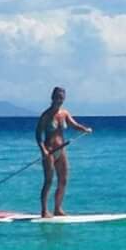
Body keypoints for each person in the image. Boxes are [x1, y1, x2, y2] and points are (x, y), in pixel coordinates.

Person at [35, 85, 92, 216]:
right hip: (49, 151)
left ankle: (57, 208)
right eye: (58, 98)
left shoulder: (64, 113)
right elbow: (38, 134)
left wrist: (85, 129)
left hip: (61, 151)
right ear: (52, 98)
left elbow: (74, 125)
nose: (60, 100)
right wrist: (43, 149)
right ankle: (44, 210)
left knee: (63, 180)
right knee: (48, 181)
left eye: (62, 98)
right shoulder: (46, 115)